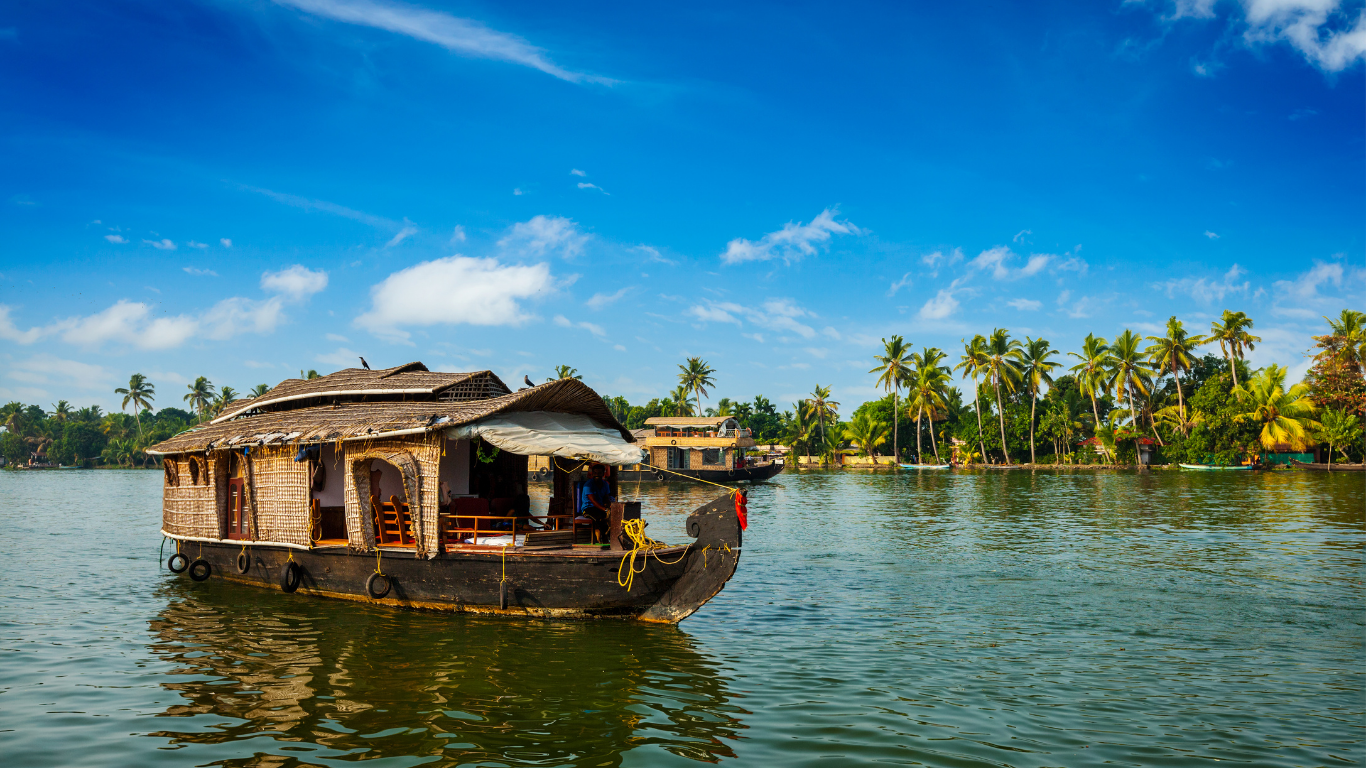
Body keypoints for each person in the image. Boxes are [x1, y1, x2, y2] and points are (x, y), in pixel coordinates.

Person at [577, 464, 613, 542]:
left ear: (603, 474)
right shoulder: (588, 485)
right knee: (599, 517)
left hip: (600, 508)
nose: (597, 475)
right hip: (588, 508)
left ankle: (610, 537)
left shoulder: (605, 484)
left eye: (599, 473)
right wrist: (605, 510)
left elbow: (606, 498)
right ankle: (603, 538)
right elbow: (593, 501)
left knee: (613, 515)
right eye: (595, 473)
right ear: (592, 474)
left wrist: (610, 506)